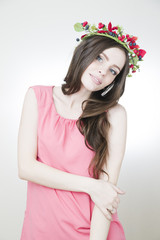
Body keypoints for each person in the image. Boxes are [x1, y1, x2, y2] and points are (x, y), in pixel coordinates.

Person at [17, 21, 146, 240]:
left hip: (92, 232)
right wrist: (92, 186)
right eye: (99, 58)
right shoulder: (37, 97)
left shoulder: (114, 115)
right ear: (85, 52)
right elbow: (26, 168)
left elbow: (106, 194)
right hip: (39, 229)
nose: (102, 72)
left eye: (112, 71)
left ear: (114, 81)